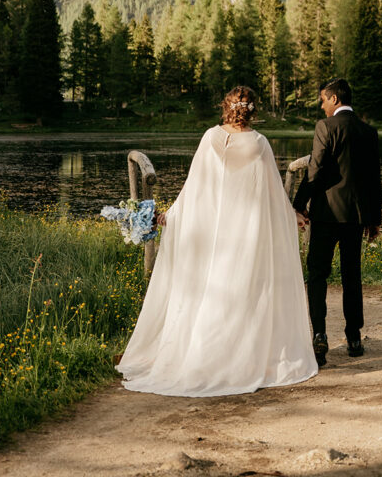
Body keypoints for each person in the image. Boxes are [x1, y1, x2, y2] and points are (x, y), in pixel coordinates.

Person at [117, 86, 317, 396]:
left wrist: (175, 214)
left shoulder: (211, 137)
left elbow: (194, 185)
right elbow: (275, 191)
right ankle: (243, 356)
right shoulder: (259, 143)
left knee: (215, 288)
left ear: (227, 107)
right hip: (247, 230)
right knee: (245, 289)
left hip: (215, 228)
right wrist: (293, 215)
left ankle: (204, 356)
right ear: (252, 110)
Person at [293, 78, 382, 366]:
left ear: (333, 99)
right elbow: (373, 179)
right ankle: (354, 337)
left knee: (317, 273)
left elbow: (315, 171)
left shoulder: (326, 127)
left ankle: (319, 334)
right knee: (351, 273)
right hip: (355, 217)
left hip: (326, 214)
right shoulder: (368, 131)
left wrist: (297, 204)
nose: (322, 105)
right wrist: (374, 218)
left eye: (322, 99)